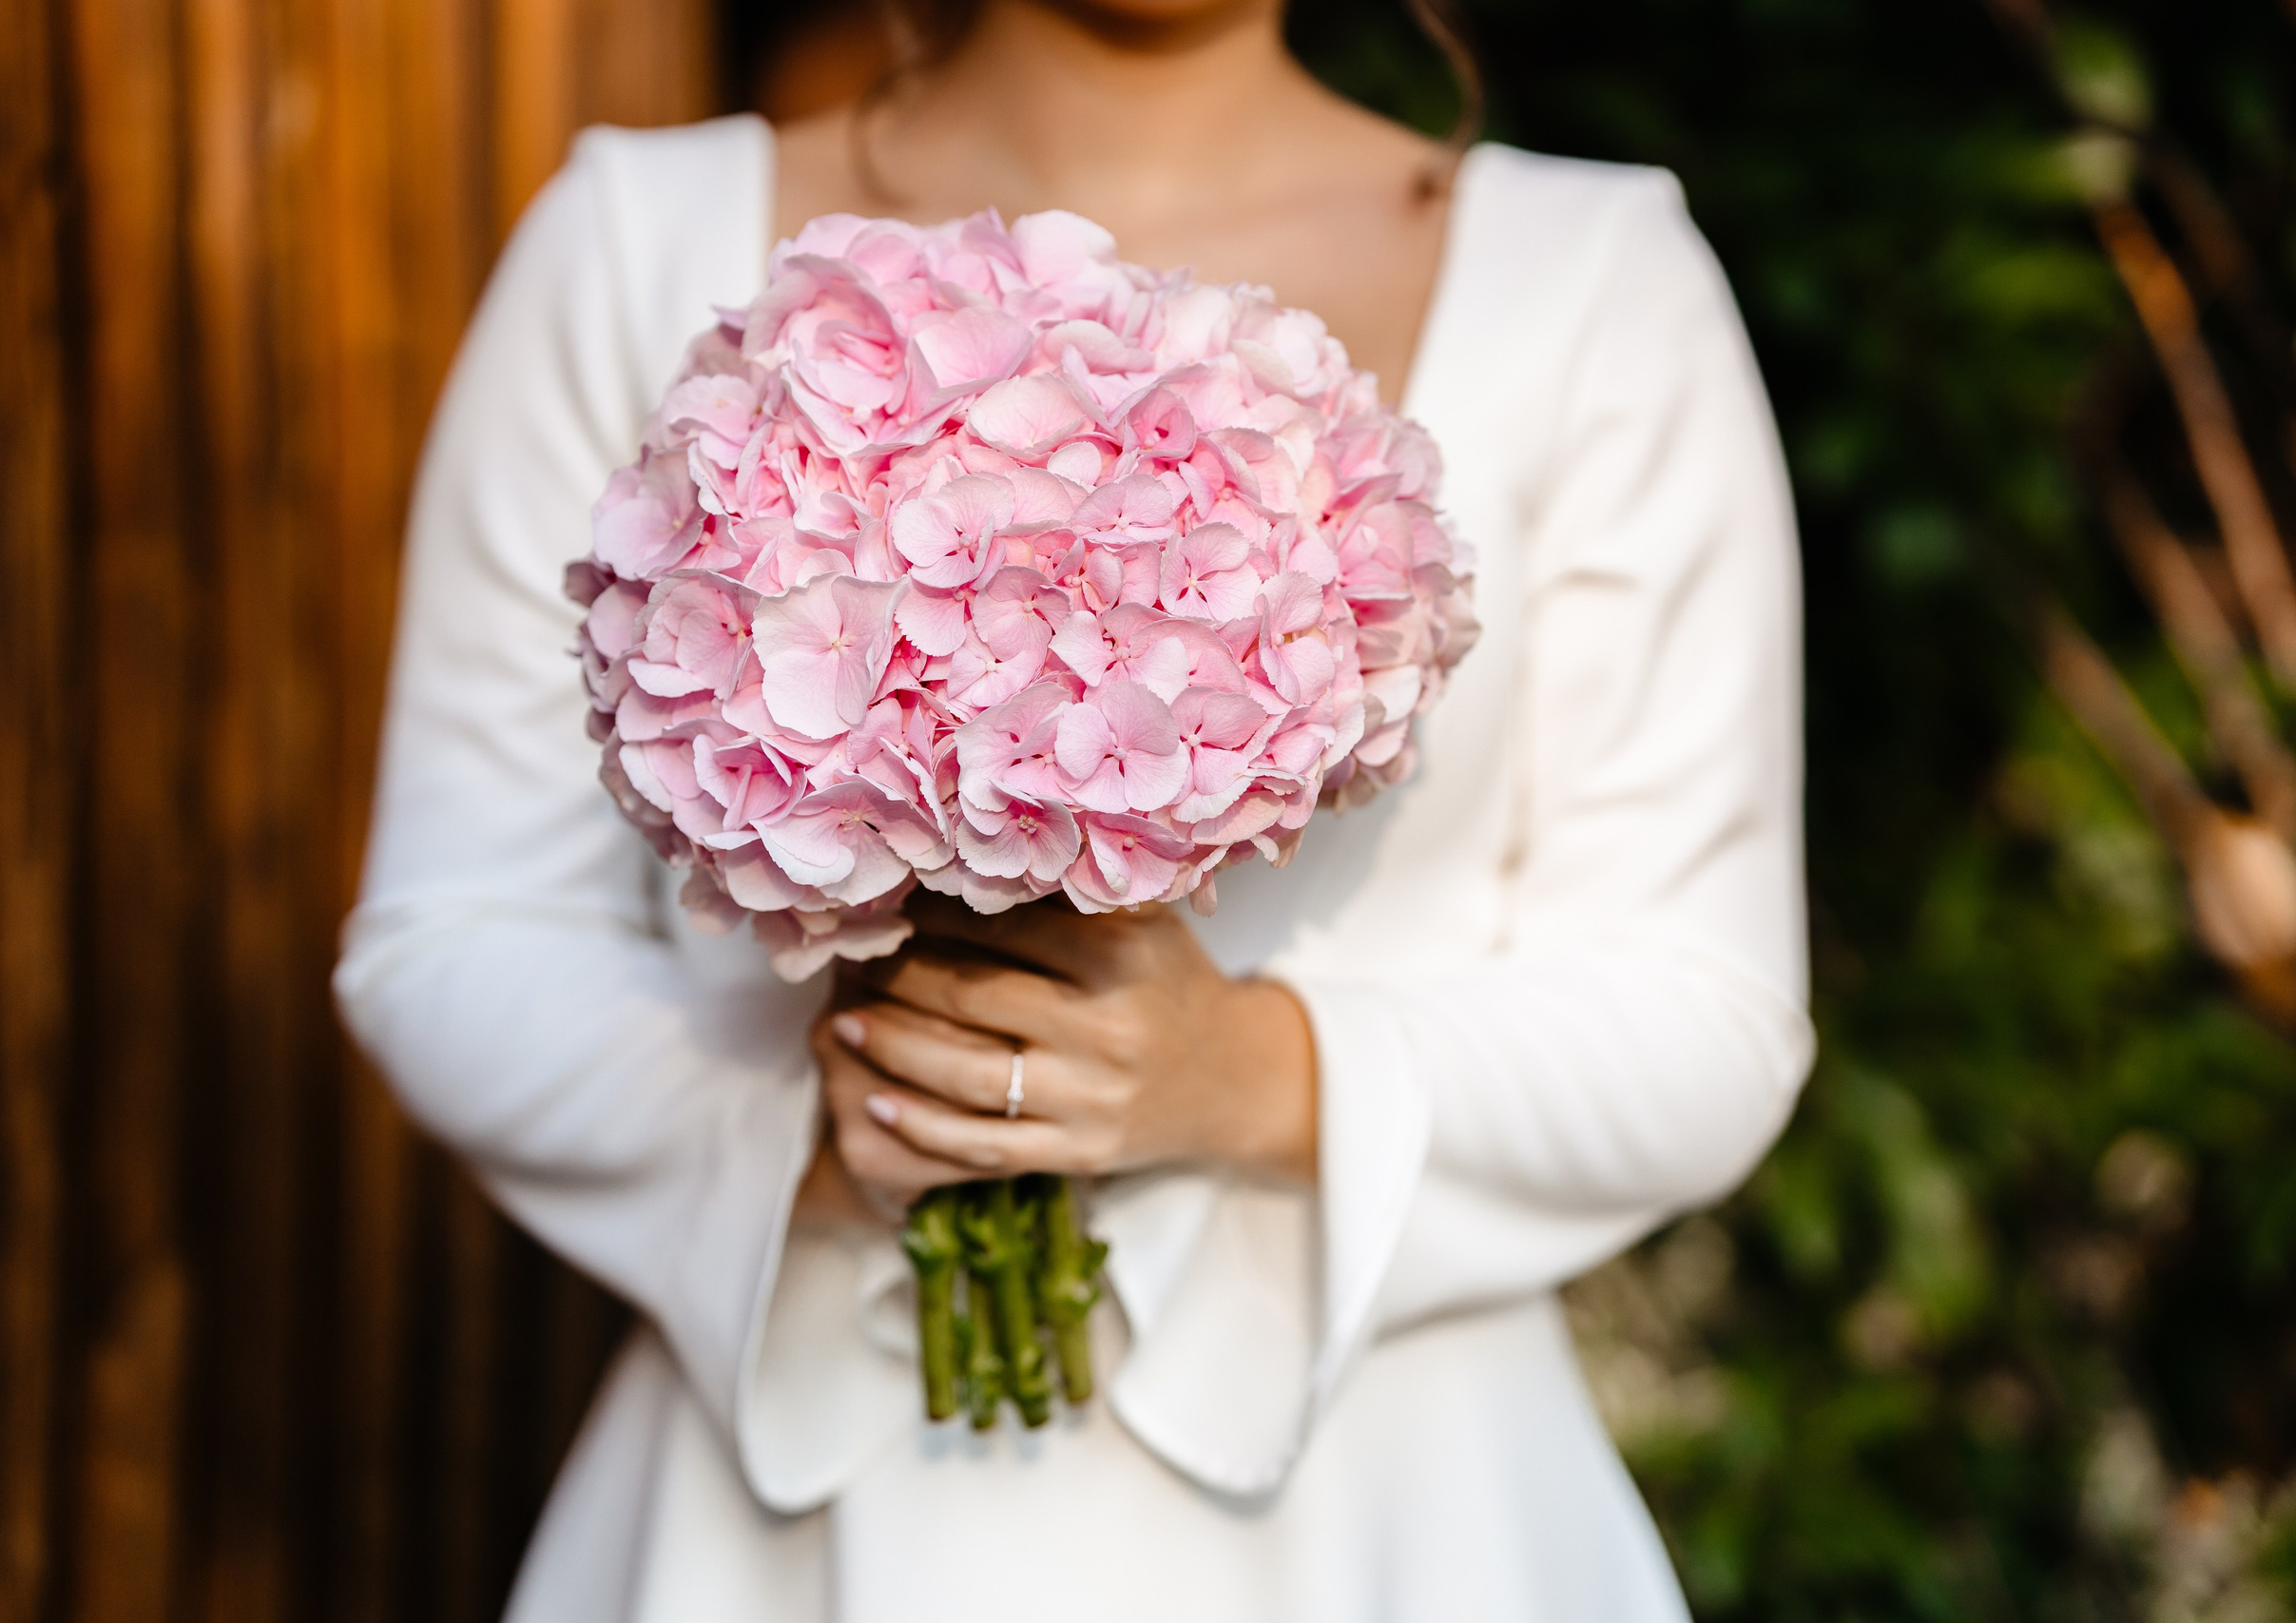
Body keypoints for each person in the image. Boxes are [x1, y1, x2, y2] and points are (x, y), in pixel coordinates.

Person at [334, 1, 1813, 1616]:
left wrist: (1252, 1077)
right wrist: (820, 1134)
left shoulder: (1597, 285)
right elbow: (450, 939)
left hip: (1399, 1528)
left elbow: (1709, 1015)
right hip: (784, 1530)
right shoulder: (629, 240)